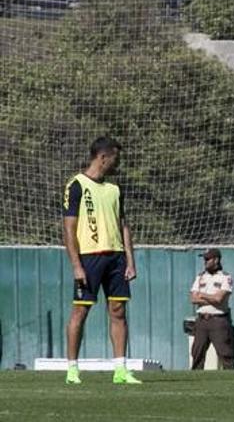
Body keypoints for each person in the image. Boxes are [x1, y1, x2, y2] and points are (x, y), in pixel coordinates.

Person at [62, 137, 141, 385]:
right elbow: (69, 228)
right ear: (103, 157)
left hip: (116, 257)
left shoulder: (115, 189)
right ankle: (72, 370)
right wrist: (76, 265)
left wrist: (130, 259)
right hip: (89, 257)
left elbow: (123, 225)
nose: (118, 163)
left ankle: (120, 370)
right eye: (115, 158)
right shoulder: (76, 185)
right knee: (81, 311)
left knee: (118, 310)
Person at [190, 248, 234, 370]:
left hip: (218, 320)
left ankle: (232, 381)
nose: (205, 262)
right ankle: (195, 381)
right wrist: (211, 298)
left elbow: (219, 299)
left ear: (216, 260)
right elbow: (193, 299)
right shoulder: (200, 277)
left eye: (207, 259)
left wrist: (202, 295)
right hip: (202, 320)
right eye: (204, 259)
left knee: (226, 354)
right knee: (197, 353)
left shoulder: (225, 277)